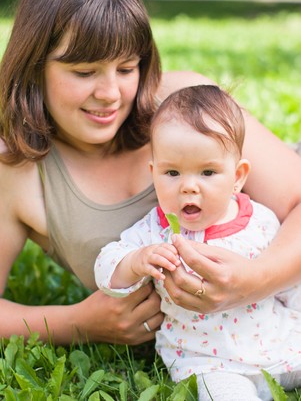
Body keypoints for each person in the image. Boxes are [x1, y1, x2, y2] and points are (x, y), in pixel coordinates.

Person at [1, 0, 301, 346]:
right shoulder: (17, 168)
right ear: (34, 67)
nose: (110, 94)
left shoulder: (183, 106)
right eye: (84, 72)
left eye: (126, 69)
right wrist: (78, 323)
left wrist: (253, 281)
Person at [95, 85, 301, 401]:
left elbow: (287, 280)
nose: (189, 187)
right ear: (154, 174)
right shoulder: (155, 232)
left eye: (207, 172)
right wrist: (135, 261)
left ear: (238, 176)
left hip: (282, 345)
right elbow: (107, 270)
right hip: (209, 362)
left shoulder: (259, 221)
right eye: (173, 172)